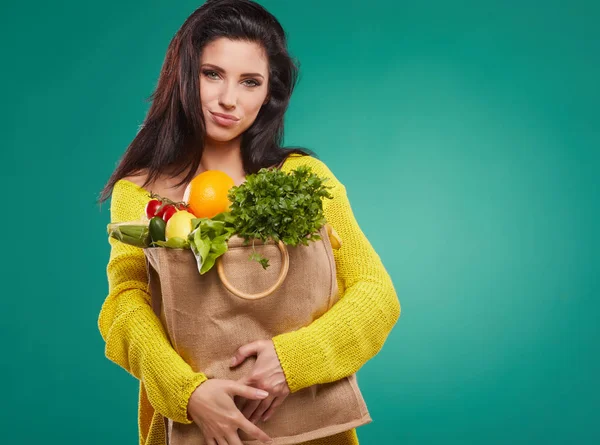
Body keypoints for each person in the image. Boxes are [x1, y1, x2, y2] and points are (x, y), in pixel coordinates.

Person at [97, 1, 401, 444]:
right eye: (212, 74)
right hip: (195, 427)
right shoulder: (139, 193)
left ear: (268, 94)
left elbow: (377, 295)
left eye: (250, 82)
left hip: (311, 430)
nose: (228, 99)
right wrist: (189, 394)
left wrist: (291, 361)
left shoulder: (303, 179)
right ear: (183, 74)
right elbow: (124, 307)